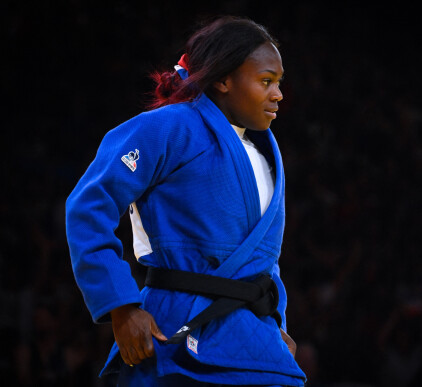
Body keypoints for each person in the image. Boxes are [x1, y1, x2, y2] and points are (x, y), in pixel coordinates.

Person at [66, 16, 307, 386]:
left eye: (278, 83)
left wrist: (275, 322)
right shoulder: (169, 126)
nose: (278, 94)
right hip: (175, 331)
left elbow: (262, 259)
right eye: (265, 81)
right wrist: (120, 305)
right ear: (223, 80)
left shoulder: (265, 155)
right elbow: (88, 206)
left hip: (253, 340)